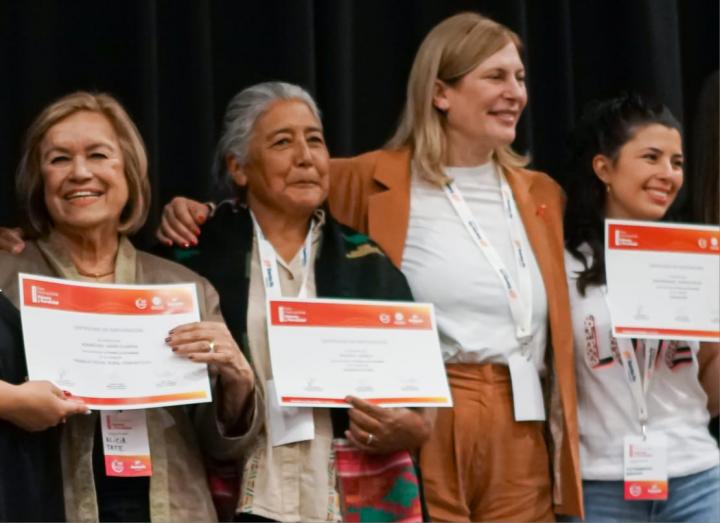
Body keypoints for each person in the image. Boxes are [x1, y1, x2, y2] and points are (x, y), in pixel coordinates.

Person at [149, 13, 583, 522]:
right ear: (440, 92)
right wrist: (190, 211)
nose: (514, 92)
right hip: (426, 408)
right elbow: (272, 196)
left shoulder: (543, 194)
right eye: (495, 76)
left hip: (518, 412)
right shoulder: (368, 178)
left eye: (521, 77)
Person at [163, 81, 431, 523]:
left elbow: (422, 406)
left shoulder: (367, 261)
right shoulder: (196, 256)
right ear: (239, 167)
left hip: (347, 493)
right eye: (282, 142)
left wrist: (409, 428)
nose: (305, 157)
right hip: (239, 487)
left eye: (315, 140)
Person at [0, 91, 258, 522]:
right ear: (38, 179)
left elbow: (223, 447)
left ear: (130, 172)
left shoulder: (184, 287)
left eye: (99, 155)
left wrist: (238, 383)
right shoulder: (7, 279)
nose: (80, 173)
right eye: (59, 159)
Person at [562, 93, 720, 522]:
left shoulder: (696, 259)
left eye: (677, 162)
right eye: (651, 157)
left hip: (696, 478)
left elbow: (710, 389)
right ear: (604, 168)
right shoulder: (563, 265)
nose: (667, 175)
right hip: (600, 485)